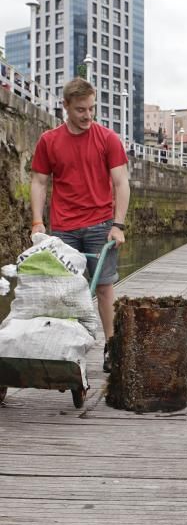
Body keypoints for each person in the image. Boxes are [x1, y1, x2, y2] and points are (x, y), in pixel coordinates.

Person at [30, 77, 130, 373]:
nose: (88, 116)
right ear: (66, 107)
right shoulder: (49, 141)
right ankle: (63, 348)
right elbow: (38, 181)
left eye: (91, 109)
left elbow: (121, 182)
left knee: (104, 288)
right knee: (64, 291)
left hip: (101, 225)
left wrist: (118, 224)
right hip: (63, 228)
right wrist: (37, 221)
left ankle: (111, 347)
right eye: (81, 110)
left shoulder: (107, 139)